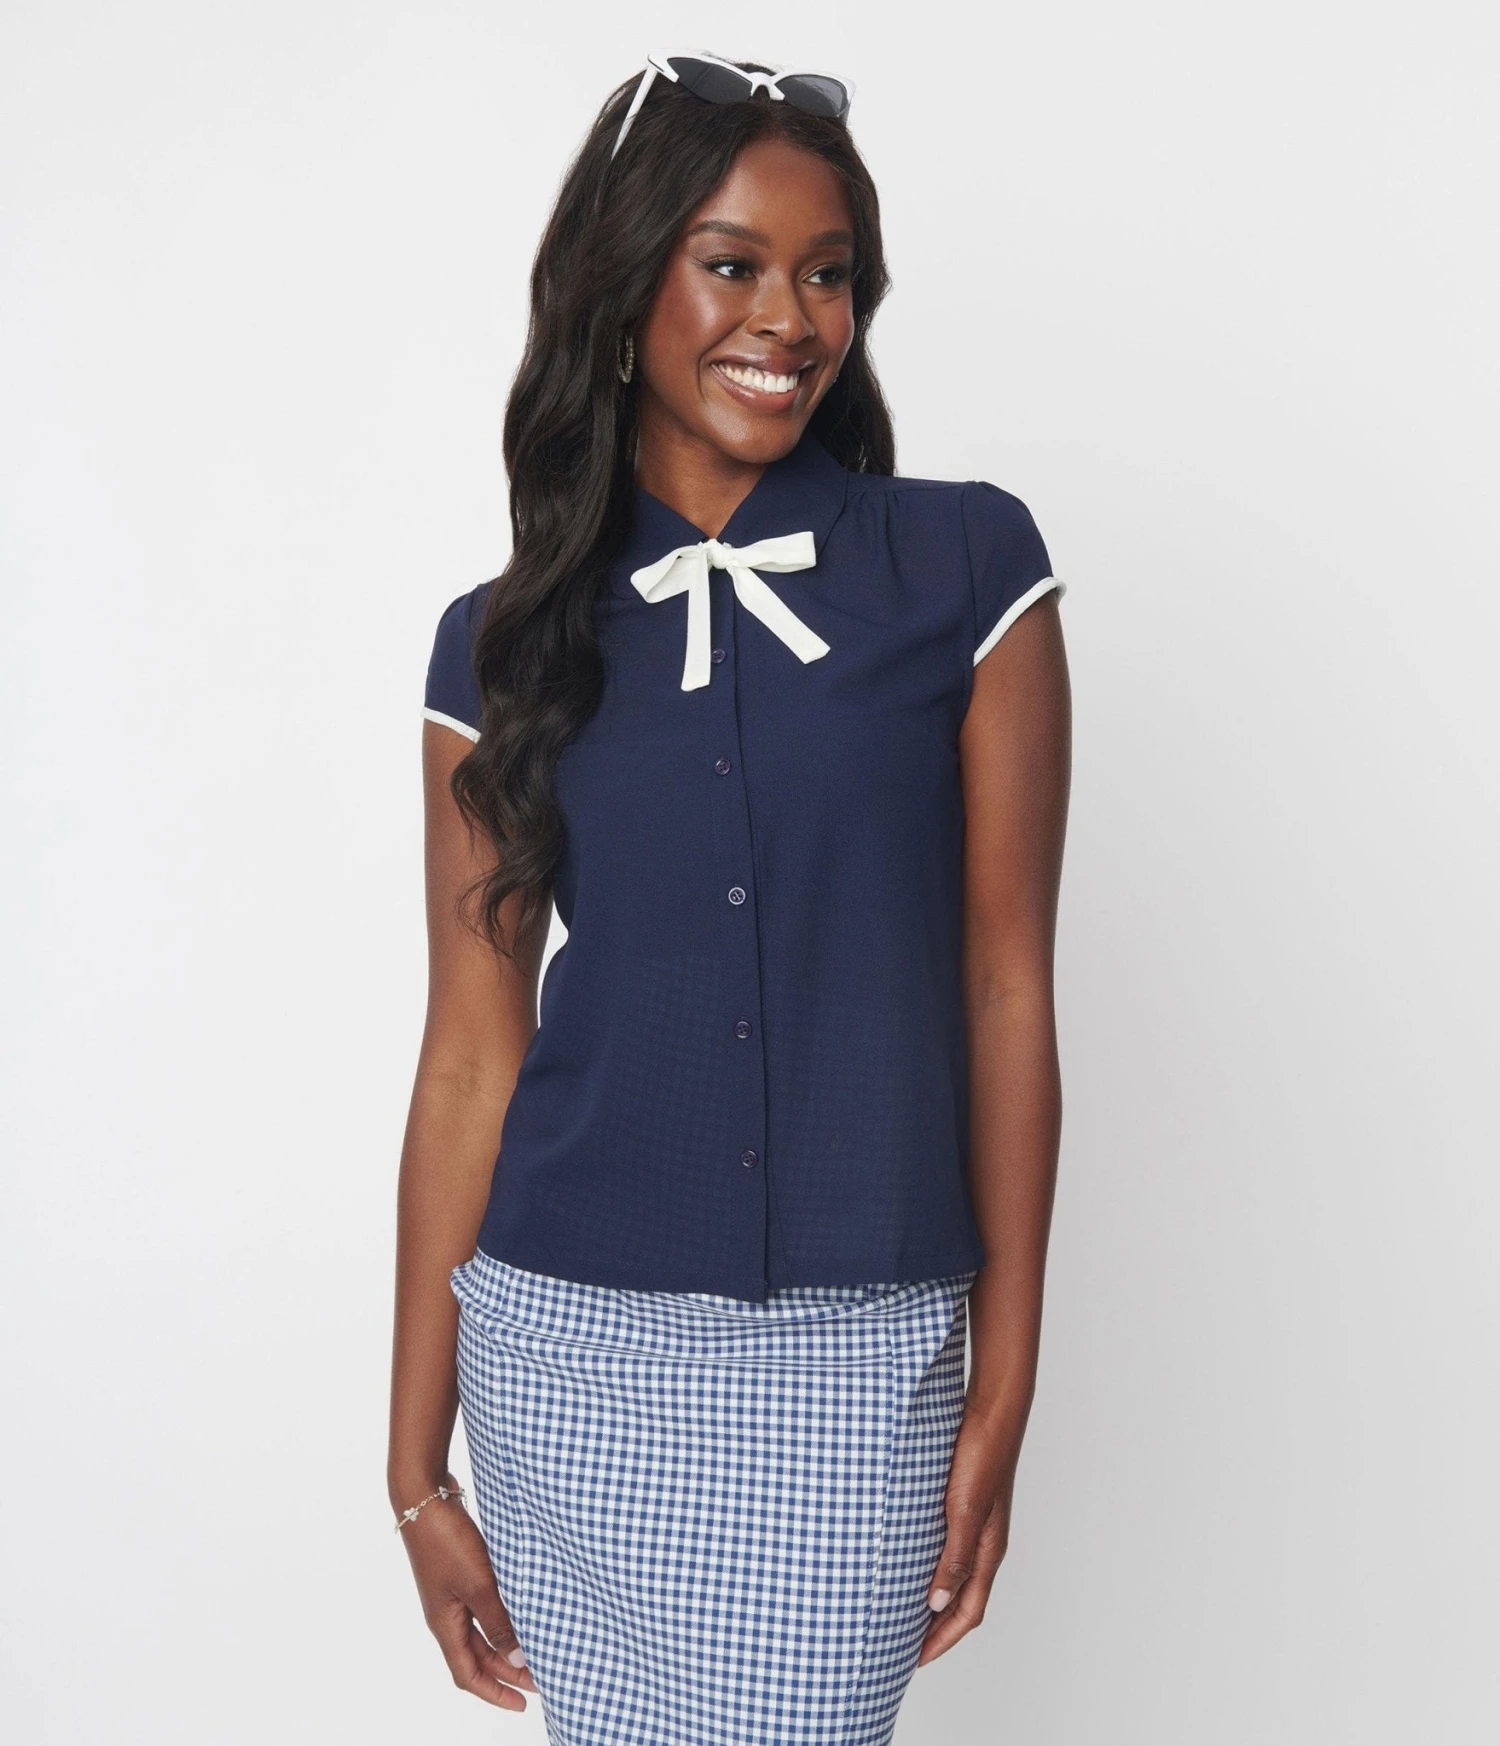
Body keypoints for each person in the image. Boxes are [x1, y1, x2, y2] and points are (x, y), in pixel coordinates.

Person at [387, 51, 1071, 1746]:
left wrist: (1003, 1384)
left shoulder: (968, 570)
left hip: (861, 1351)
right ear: (627, 287)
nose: (788, 316)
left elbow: (1007, 987)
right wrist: (415, 1468)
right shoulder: (500, 644)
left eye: (827, 274)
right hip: (565, 1349)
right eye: (733, 263)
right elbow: (471, 1054)